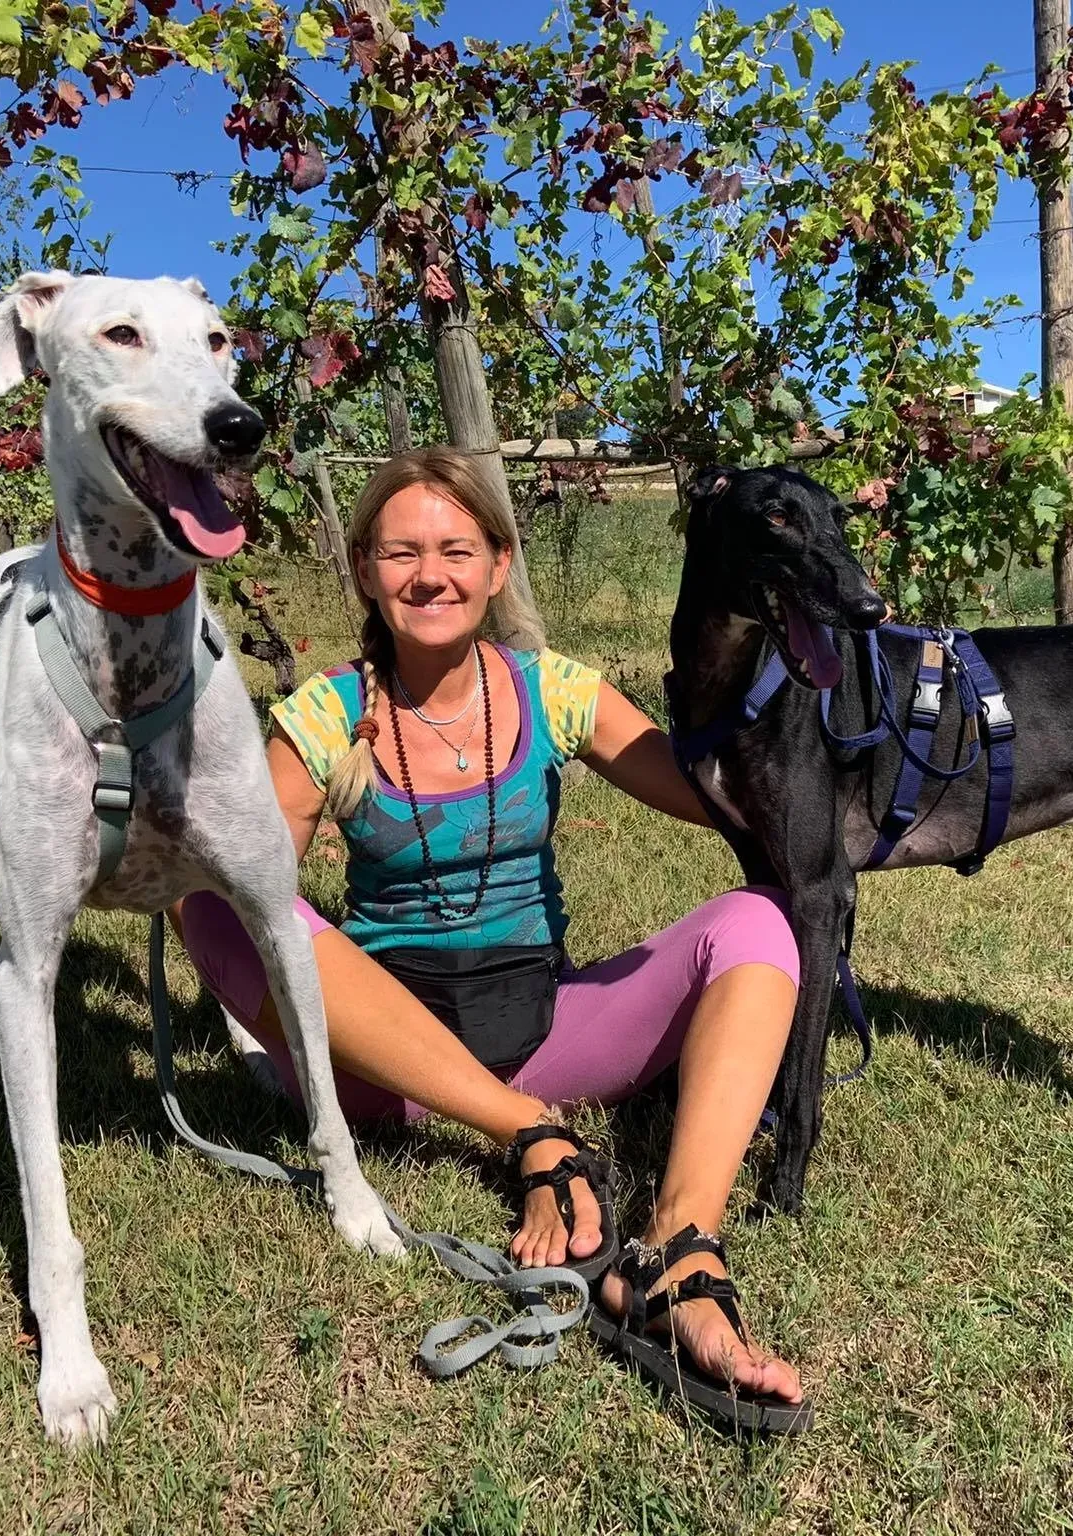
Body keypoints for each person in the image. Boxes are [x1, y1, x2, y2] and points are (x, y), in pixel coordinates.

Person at [172, 446, 807, 1433]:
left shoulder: (551, 690)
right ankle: (529, 1130)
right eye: (401, 553)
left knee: (758, 920)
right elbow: (261, 897)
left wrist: (805, 718)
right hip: (381, 1066)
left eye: (456, 551)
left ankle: (680, 1253)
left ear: (498, 564)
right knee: (211, 895)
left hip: (544, 1025)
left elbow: (715, 800)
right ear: (364, 570)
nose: (430, 575)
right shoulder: (325, 714)